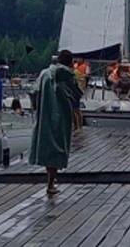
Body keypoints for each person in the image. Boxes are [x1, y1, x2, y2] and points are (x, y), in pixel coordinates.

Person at [29, 50, 82, 195]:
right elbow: (77, 94)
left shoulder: (44, 73)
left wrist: (37, 107)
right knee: (58, 149)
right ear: (70, 62)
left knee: (48, 149)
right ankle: (51, 183)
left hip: (44, 117)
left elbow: (33, 92)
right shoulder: (68, 77)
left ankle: (50, 181)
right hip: (61, 117)